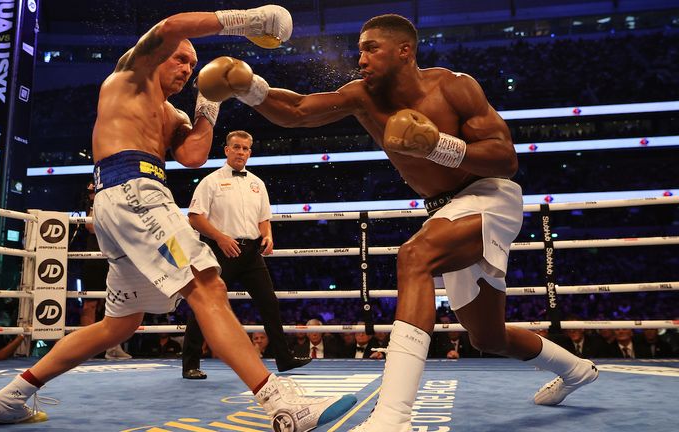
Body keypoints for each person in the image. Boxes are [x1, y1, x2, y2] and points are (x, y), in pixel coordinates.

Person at [197, 13, 598, 430]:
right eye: (359, 49)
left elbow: (506, 158)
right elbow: (297, 110)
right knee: (487, 336)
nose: (361, 57)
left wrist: (438, 146)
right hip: (444, 209)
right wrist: (248, 88)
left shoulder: (453, 86)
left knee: (414, 256)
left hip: (489, 196)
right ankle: (576, 370)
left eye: (371, 48)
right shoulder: (362, 96)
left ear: (404, 50)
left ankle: (392, 417)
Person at [0, 7, 355, 430]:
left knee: (119, 325)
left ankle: (9, 397)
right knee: (207, 283)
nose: (187, 69)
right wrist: (247, 21)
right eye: (181, 59)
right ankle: (284, 404)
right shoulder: (128, 78)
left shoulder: (174, 114)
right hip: (134, 192)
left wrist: (210, 101)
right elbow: (172, 27)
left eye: (192, 65)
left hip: (126, 203)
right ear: (156, 55)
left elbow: (192, 156)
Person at [181, 130, 310, 379]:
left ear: (250, 152)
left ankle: (283, 358)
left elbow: (264, 219)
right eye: (237, 147)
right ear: (227, 150)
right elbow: (194, 217)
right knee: (206, 304)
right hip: (221, 250)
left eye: (245, 149)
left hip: (251, 253)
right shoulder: (211, 181)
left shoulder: (257, 183)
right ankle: (190, 363)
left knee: (269, 303)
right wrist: (220, 237)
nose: (241, 152)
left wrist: (268, 236)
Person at [82, 180, 131, 360]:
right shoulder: (92, 201)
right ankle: (86, 348)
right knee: (91, 302)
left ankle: (113, 347)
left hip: (116, 254)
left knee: (117, 302)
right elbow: (90, 227)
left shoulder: (120, 196)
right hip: (94, 255)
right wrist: (94, 200)